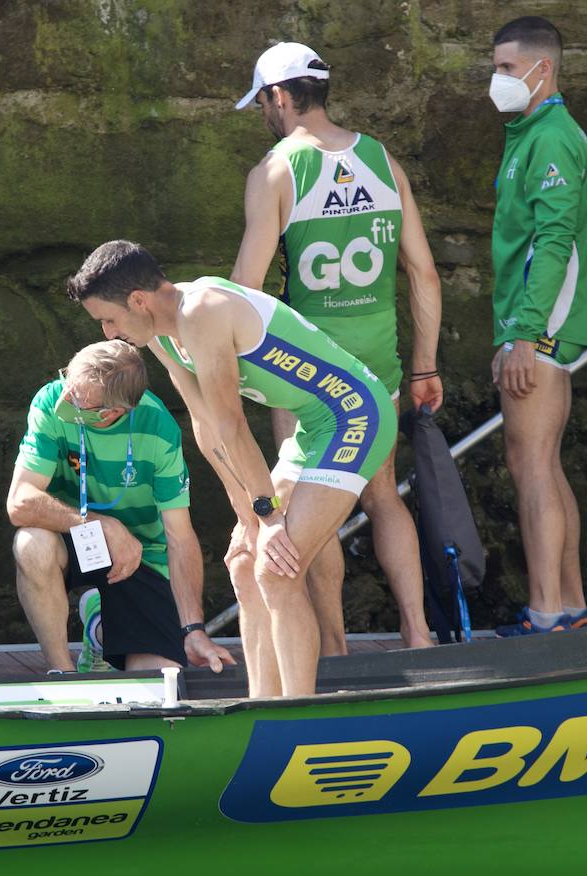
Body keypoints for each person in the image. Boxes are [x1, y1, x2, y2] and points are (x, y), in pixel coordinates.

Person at [66, 241, 396, 698]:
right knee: (244, 561)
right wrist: (247, 513)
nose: (107, 332)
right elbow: (205, 426)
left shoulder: (203, 311)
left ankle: (297, 713)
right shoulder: (159, 333)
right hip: (314, 428)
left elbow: (232, 424)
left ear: (138, 300)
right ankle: (263, 705)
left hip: (355, 414)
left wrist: (269, 515)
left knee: (278, 570)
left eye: (109, 318)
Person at [229, 41, 442, 652]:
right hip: (380, 358)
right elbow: (423, 274)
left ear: (281, 96)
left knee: (301, 505)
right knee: (382, 494)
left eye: (263, 102)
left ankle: (334, 647)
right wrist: (424, 365)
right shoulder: (380, 159)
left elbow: (245, 292)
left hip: (307, 369)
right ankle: (418, 634)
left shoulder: (275, 171)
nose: (264, 114)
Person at [6, 340, 235, 675]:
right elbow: (20, 502)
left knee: (159, 681)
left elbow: (180, 537)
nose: (64, 402)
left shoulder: (159, 429)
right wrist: (100, 525)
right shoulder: (50, 400)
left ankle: (98, 627)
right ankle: (63, 675)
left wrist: (193, 629)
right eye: (68, 384)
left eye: (79, 401)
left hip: (140, 553)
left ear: (113, 412)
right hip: (74, 538)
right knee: (31, 544)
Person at [486, 17, 587, 636]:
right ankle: (571, 605)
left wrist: (525, 335)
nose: (496, 80)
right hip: (535, 319)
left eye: (506, 68)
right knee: (545, 463)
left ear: (542, 68)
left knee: (529, 460)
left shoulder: (552, 137)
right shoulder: (530, 131)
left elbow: (554, 242)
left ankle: (547, 613)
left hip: (541, 321)